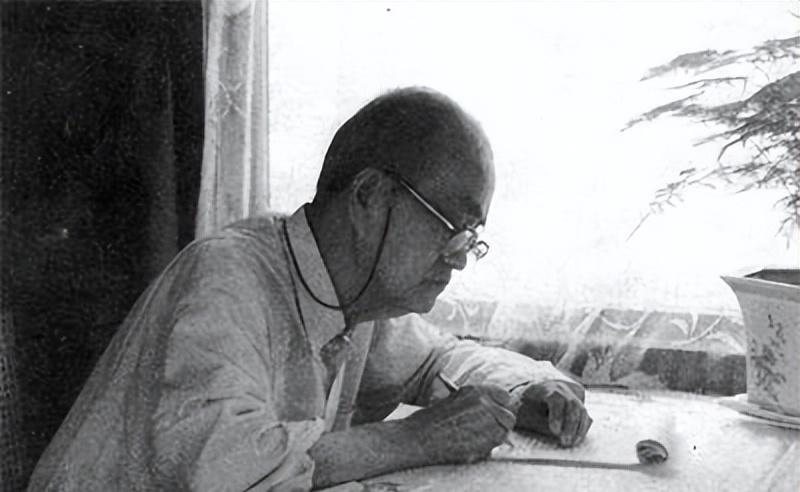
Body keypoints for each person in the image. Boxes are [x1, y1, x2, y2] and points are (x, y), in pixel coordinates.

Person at [28, 87, 592, 491]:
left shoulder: (357, 299)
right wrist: (418, 438)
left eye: (471, 237)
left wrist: (523, 392)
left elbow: (436, 361)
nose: (461, 257)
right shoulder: (225, 277)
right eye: (453, 226)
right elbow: (228, 473)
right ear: (370, 196)